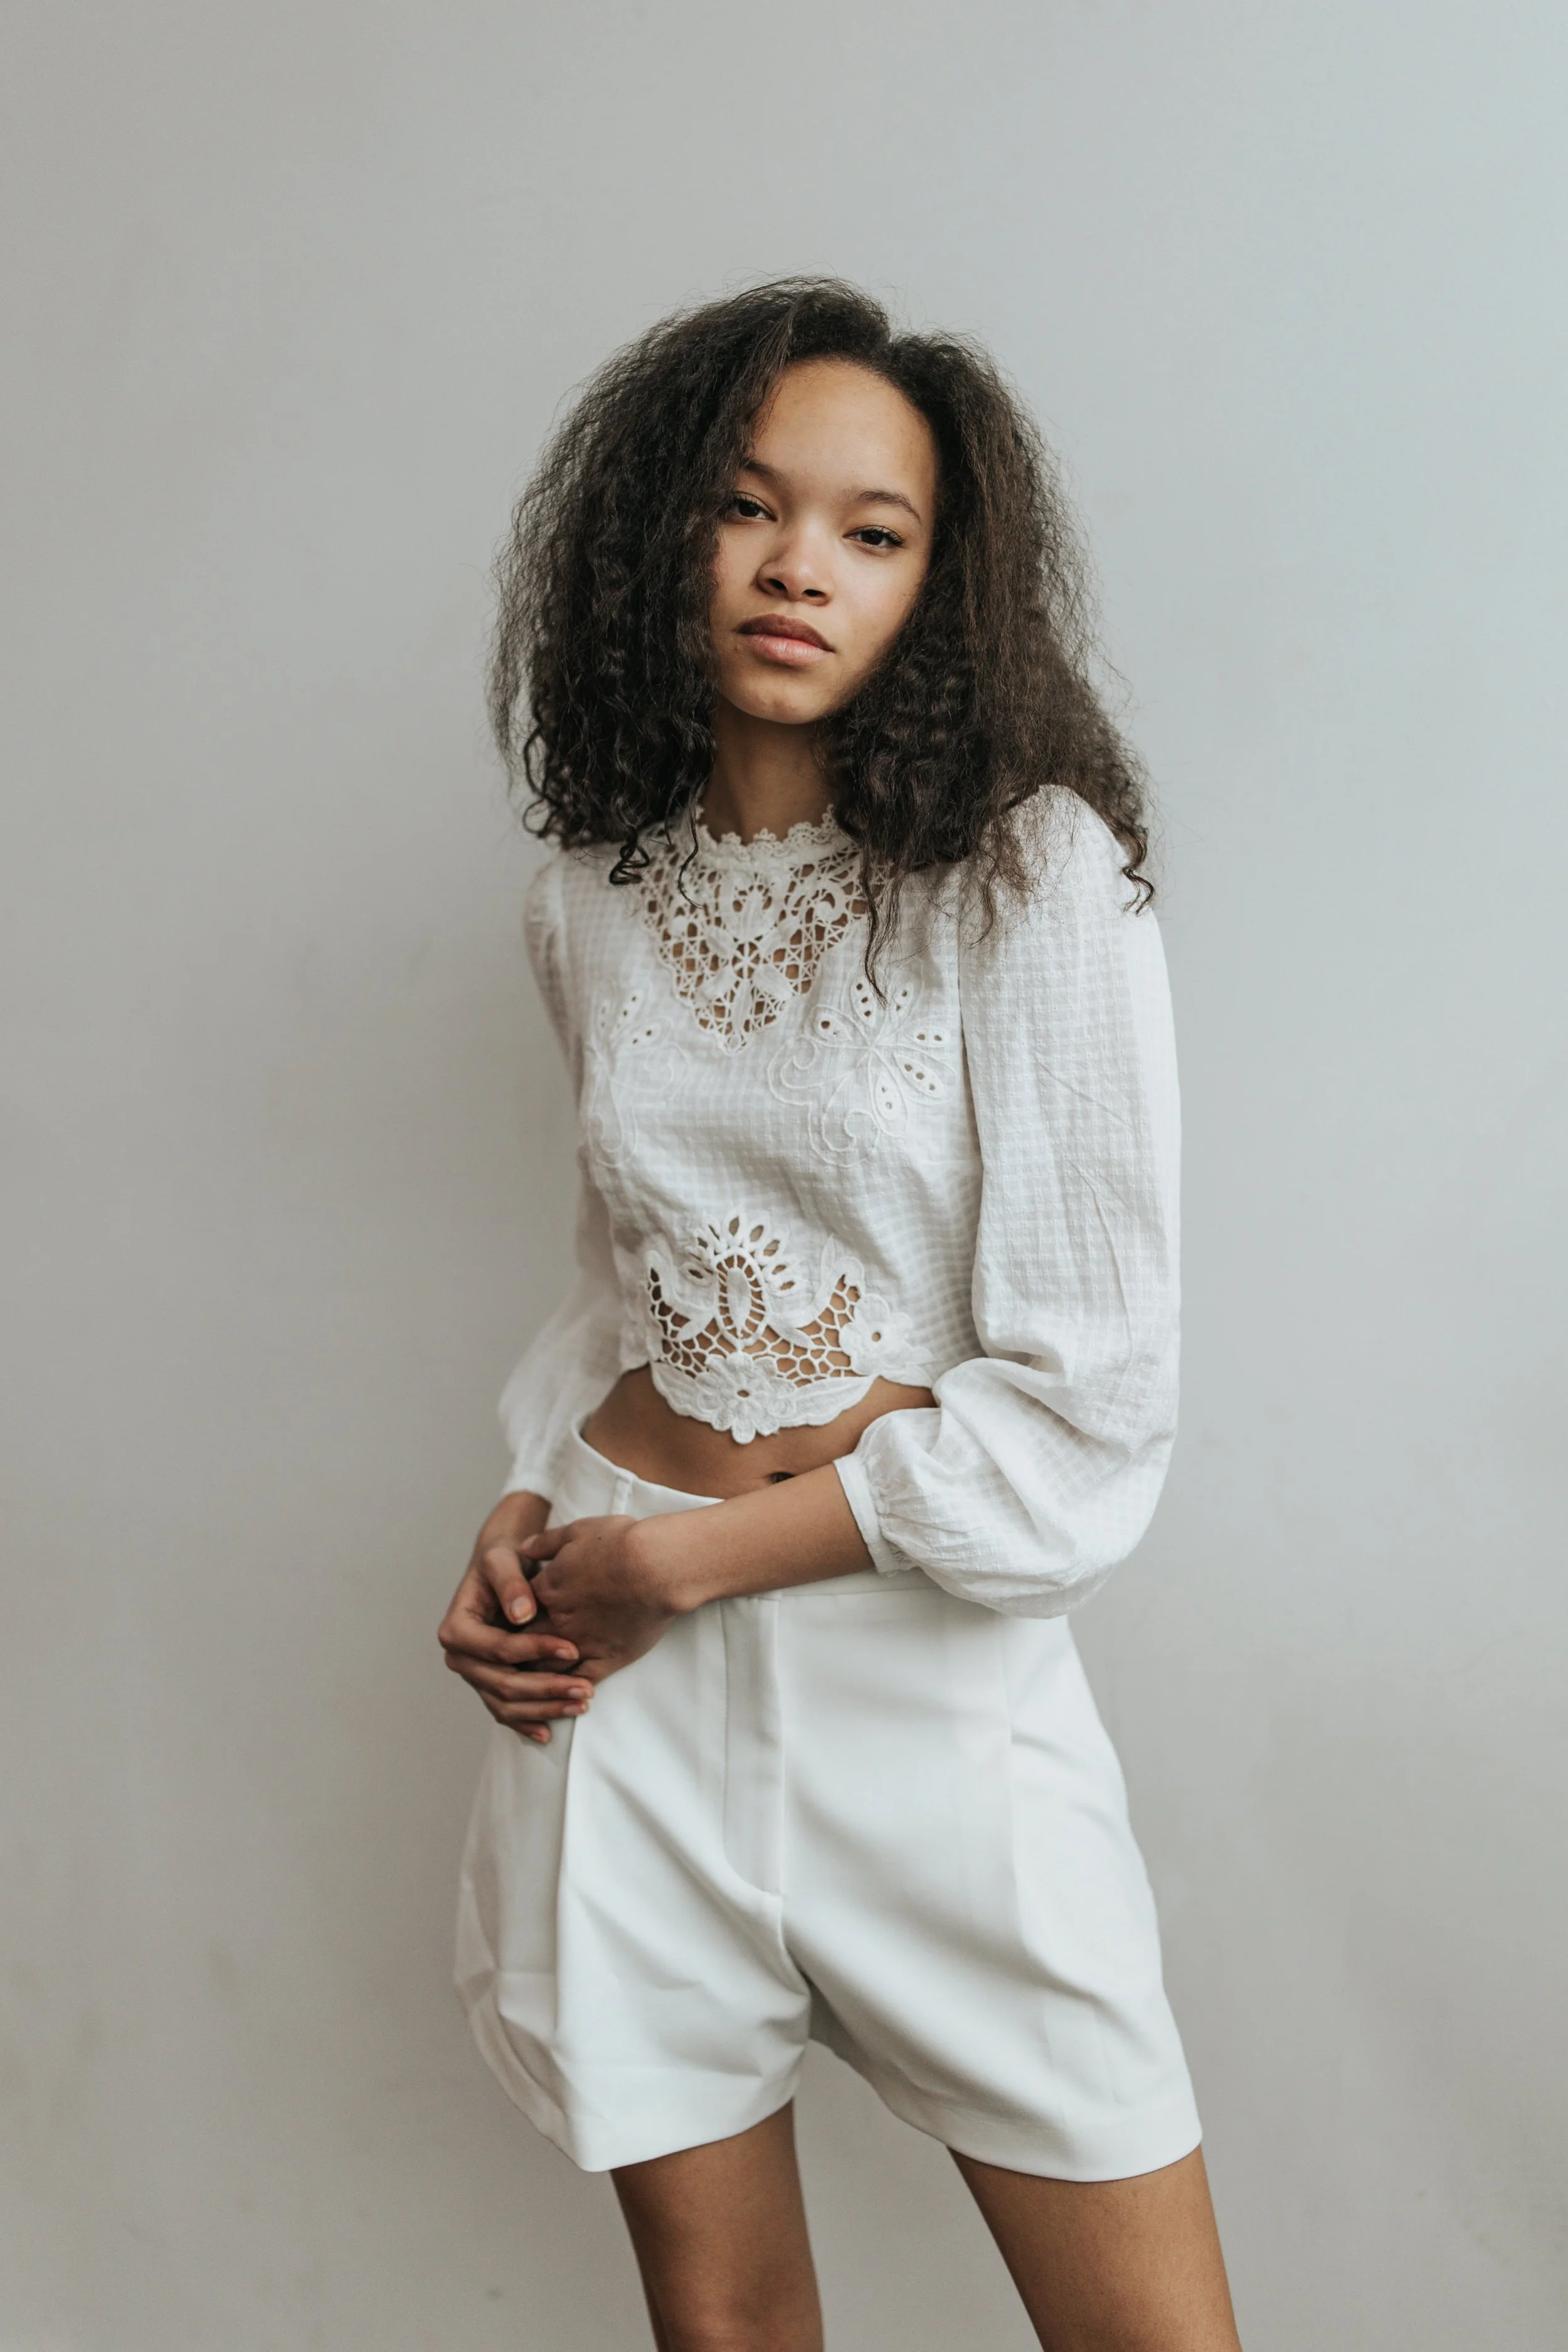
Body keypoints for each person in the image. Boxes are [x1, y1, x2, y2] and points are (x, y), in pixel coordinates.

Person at [438, 278, 1242, 2352]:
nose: (801, 566)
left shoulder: (1028, 878)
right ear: (658, 540)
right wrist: (528, 1532)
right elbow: (622, 1268)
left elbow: (1088, 1413)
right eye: (747, 507)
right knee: (722, 2334)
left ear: (939, 583)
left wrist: (677, 1564)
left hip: (913, 1676)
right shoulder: (589, 890)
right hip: (620, 1682)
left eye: (873, 532)